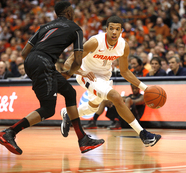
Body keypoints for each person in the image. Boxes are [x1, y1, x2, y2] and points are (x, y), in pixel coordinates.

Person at [0, 1, 104, 155]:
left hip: (33, 61)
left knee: (69, 92)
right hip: (44, 63)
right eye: (72, 11)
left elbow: (25, 52)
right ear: (68, 13)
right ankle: (9, 132)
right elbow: (78, 60)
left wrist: (37, 66)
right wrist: (68, 72)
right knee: (48, 109)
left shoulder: (45, 27)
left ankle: (83, 139)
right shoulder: (76, 28)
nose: (74, 13)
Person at [61, 16, 161, 147]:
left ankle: (67, 114)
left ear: (121, 31)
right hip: (86, 75)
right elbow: (68, 63)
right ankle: (143, 134)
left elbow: (125, 72)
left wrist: (145, 87)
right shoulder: (95, 42)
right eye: (111, 28)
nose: (114, 32)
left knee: (92, 107)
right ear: (106, 29)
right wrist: (81, 72)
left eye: (117, 29)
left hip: (103, 78)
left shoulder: (123, 46)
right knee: (115, 96)